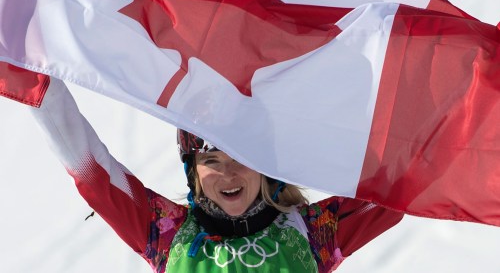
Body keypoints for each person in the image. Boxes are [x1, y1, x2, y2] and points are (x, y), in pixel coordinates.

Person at [31, 77, 403, 272]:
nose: (229, 173)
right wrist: (36, 85)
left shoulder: (315, 232)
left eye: (243, 156)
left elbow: (407, 184)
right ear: (193, 172)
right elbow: (92, 169)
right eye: (212, 161)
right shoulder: (165, 233)